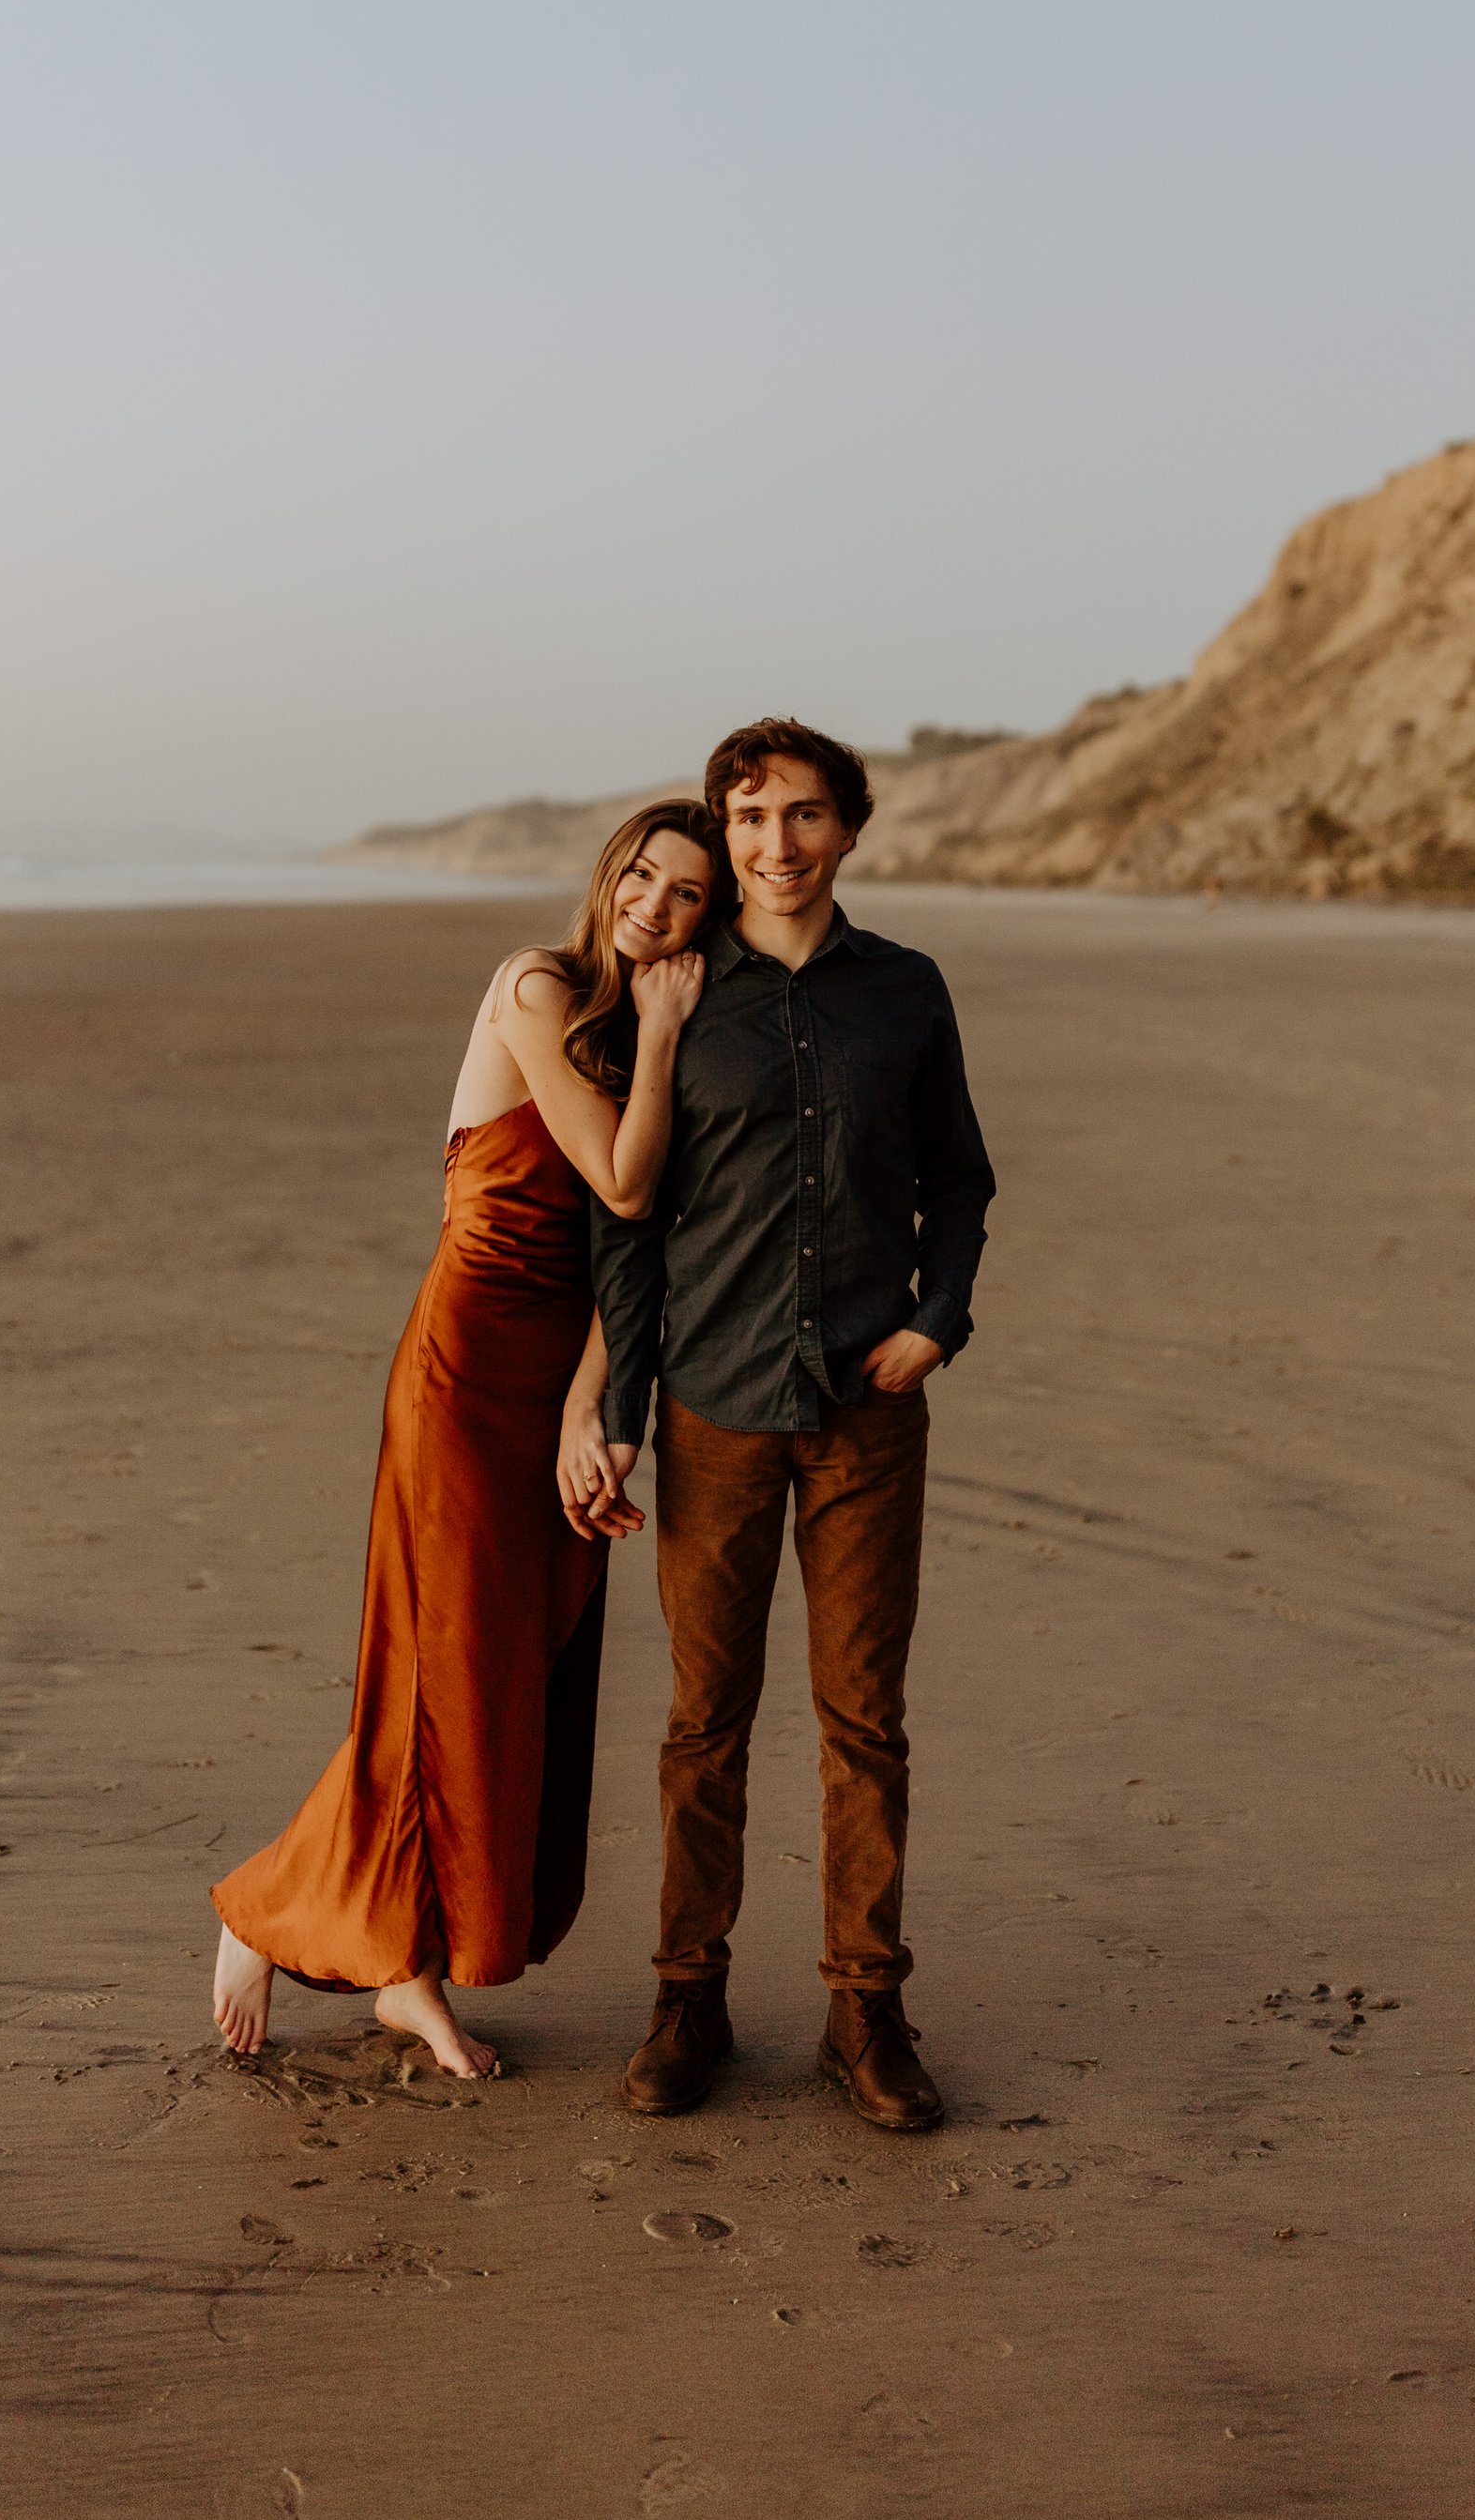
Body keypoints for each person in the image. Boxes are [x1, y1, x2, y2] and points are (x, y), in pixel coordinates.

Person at [207, 802, 726, 2075]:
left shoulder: (638, 1036)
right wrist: (661, 1034)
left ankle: (396, 1956)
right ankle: (277, 1918)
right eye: (644, 877)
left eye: (688, 897)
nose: (655, 907)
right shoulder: (537, 986)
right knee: (439, 1674)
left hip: (557, 1382)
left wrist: (598, 1405)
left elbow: (639, 1259)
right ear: (610, 874)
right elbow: (620, 1179)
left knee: (514, 1671)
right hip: (460, 1372)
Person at [562, 718, 996, 2132]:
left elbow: (962, 1182)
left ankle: (864, 2011)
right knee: (704, 1724)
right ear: (723, 831)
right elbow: (627, 1225)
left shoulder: (907, 992)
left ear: (851, 828)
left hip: (872, 1411)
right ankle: (689, 2001)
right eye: (749, 820)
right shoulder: (670, 998)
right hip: (717, 1414)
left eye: (804, 816)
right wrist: (617, 1407)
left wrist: (943, 1311)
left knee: (867, 1722)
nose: (775, 845)